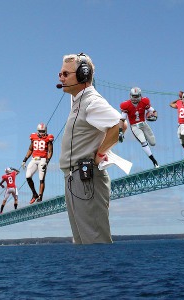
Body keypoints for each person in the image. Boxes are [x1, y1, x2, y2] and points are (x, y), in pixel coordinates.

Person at [58, 52, 121, 244]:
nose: (60, 77)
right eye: (60, 73)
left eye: (65, 74)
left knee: (94, 241)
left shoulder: (91, 101)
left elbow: (119, 125)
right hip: (73, 177)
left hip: (86, 178)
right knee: (82, 242)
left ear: (83, 75)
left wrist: (100, 153)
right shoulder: (79, 100)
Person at [119, 87, 160, 168]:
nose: (134, 98)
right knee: (143, 142)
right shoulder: (126, 105)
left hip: (143, 124)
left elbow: (154, 111)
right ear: (130, 95)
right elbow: (122, 120)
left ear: (140, 95)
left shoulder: (144, 102)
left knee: (153, 143)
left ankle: (153, 159)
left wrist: (155, 116)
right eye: (133, 96)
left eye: (136, 96)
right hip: (135, 126)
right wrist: (120, 131)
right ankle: (154, 161)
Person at [21, 123, 54, 204]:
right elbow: (30, 149)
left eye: (43, 131)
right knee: (28, 176)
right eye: (40, 131)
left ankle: (40, 196)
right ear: (37, 131)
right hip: (34, 159)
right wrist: (24, 159)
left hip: (43, 159)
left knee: (41, 179)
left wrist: (47, 161)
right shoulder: (33, 137)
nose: (41, 133)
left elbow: (50, 151)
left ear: (45, 131)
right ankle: (34, 194)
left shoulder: (48, 138)